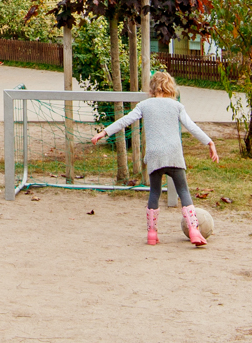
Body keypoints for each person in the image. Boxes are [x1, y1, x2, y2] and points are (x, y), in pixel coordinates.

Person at [92, 71, 219, 247]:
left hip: (154, 154)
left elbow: (125, 121)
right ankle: (194, 230)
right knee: (183, 191)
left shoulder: (144, 105)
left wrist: (104, 132)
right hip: (173, 154)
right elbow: (191, 127)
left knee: (154, 192)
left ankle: (152, 233)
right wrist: (209, 142)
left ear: (152, 88)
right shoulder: (176, 106)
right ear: (170, 87)